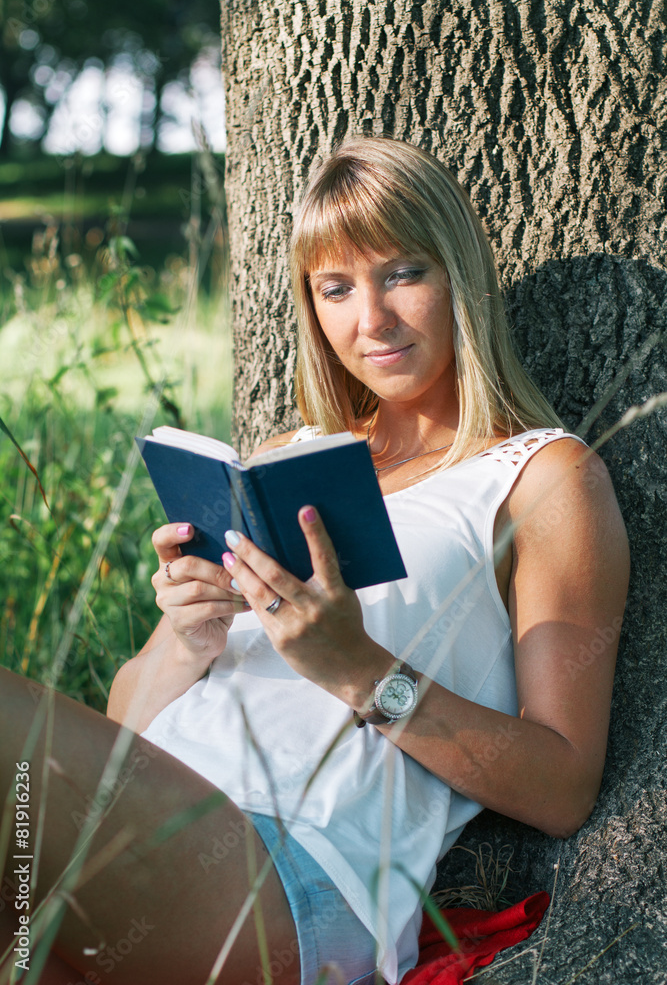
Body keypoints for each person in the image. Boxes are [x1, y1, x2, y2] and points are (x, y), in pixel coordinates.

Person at [0, 137, 629, 985]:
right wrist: (186, 637)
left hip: (292, 866)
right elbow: (123, 728)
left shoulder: (539, 477)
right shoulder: (288, 459)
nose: (369, 320)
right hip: (147, 813)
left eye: (402, 273)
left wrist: (358, 670)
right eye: (335, 288)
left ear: (460, 277)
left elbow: (561, 786)